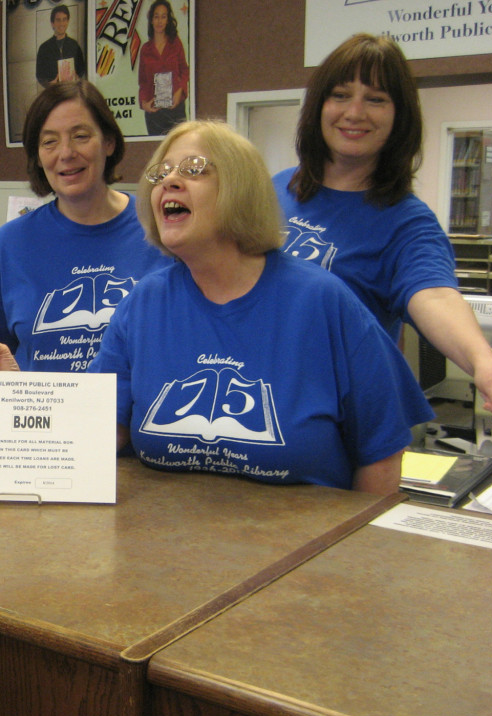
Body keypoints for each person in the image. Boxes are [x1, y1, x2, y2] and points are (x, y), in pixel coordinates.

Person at [89, 120, 433, 494]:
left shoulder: (323, 302)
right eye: (161, 172)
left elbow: (380, 456)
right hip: (171, 541)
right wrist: (23, 397)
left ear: (242, 190)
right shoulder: (143, 305)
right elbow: (101, 433)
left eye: (193, 169)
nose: (169, 181)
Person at [274, 33, 492, 423]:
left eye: (376, 99)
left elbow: (434, 296)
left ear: (399, 115)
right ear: (318, 106)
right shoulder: (272, 188)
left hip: (336, 416)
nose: (355, 112)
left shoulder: (407, 221)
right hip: (258, 390)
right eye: (339, 95)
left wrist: (482, 361)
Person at [0, 80, 166, 372]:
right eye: (49, 141)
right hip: (44, 417)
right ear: (38, 156)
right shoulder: (12, 243)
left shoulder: (159, 227)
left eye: (80, 136)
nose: (66, 153)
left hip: (139, 418)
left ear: (109, 141)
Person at [137, 0, 189, 136]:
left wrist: (180, 91)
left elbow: (185, 70)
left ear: (168, 20)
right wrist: (144, 104)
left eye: (163, 16)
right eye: (156, 16)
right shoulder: (145, 49)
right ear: (151, 20)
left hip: (175, 108)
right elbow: (142, 82)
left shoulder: (175, 43)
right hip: (155, 112)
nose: (160, 21)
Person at [35, 4, 86, 87]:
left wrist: (77, 78)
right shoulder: (44, 48)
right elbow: (40, 75)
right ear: (52, 23)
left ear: (68, 21)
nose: (62, 23)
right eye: (58, 20)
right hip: (53, 93)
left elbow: (81, 69)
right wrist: (51, 84)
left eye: (64, 19)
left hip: (71, 91)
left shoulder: (74, 45)